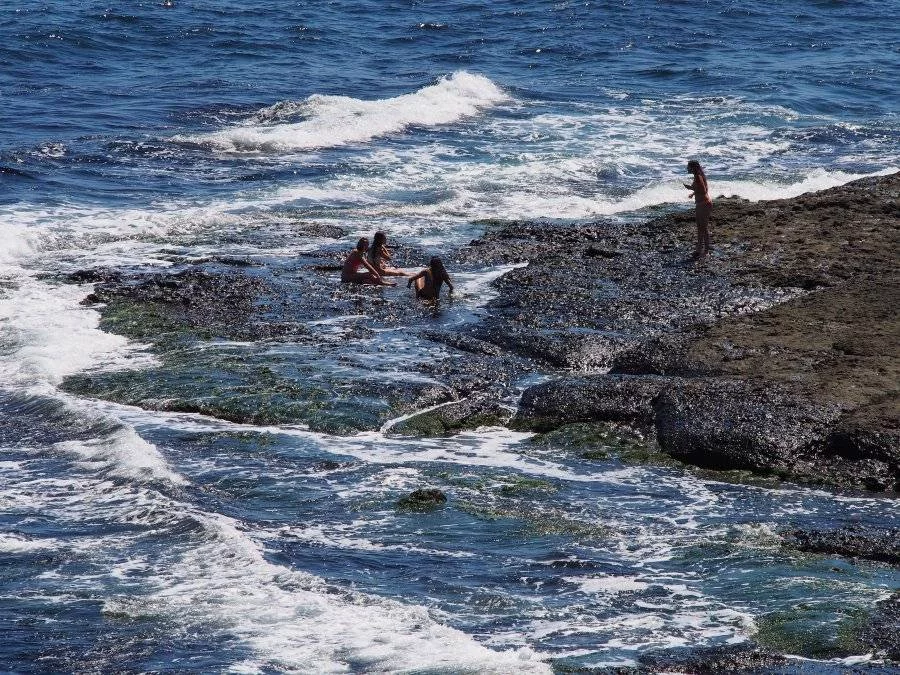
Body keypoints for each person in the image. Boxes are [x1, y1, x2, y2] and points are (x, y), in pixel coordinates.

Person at [684, 159, 712, 259]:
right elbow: (704, 188)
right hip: (703, 203)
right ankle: (700, 250)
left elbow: (703, 190)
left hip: (703, 204)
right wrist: (693, 193)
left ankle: (704, 250)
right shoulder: (700, 175)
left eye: (688, 167)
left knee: (702, 228)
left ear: (693, 168)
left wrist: (691, 188)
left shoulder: (698, 177)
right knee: (701, 227)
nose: (687, 168)